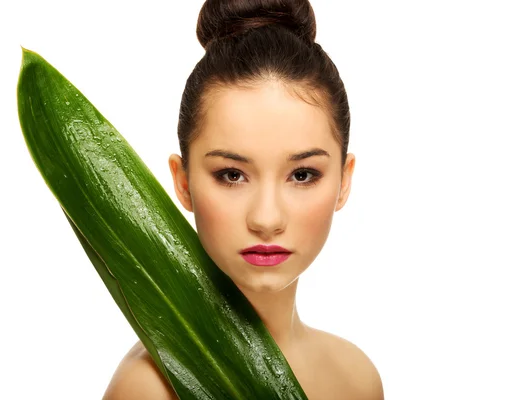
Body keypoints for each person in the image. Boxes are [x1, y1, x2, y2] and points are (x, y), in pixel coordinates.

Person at [103, 0, 384, 398]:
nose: (266, 218)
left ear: (343, 181)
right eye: (231, 175)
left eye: (302, 175)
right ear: (183, 183)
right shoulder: (150, 389)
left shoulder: (357, 378)